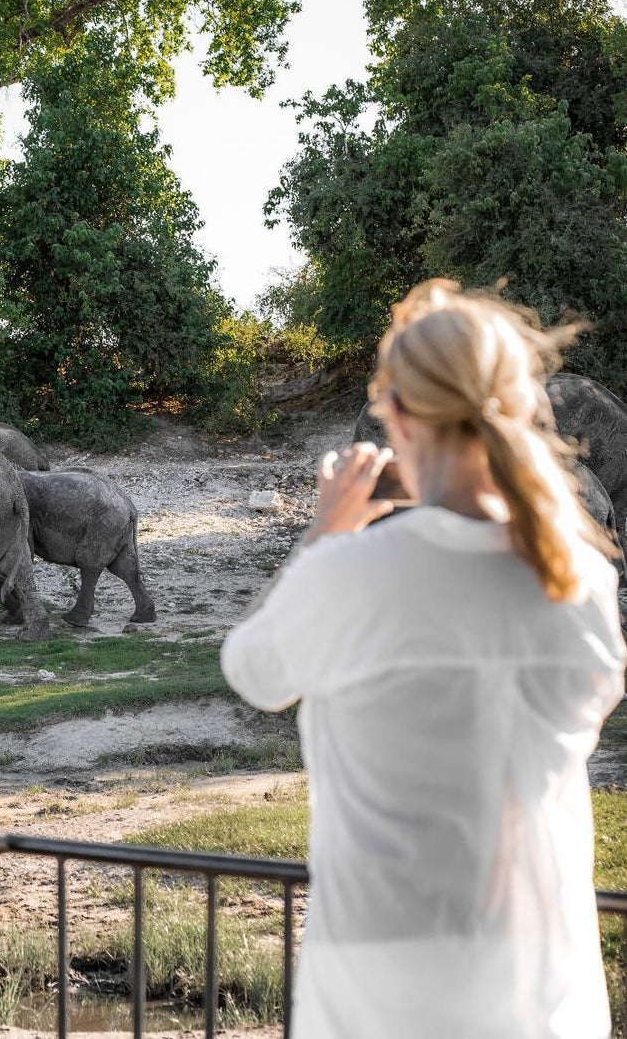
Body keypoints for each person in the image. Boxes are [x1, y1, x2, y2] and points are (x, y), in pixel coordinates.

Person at [222, 279, 626, 1038]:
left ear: (394, 416)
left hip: (379, 980)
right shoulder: (578, 578)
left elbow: (254, 671)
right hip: (544, 980)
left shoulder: (353, 575)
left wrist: (324, 535)